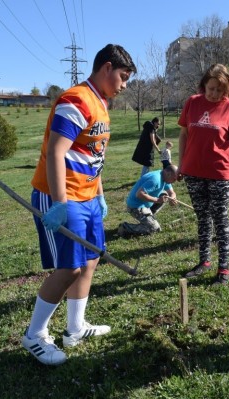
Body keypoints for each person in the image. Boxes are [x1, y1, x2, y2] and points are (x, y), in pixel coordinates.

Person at [23, 44, 137, 366]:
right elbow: (57, 152)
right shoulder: (76, 99)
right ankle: (34, 335)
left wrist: (99, 193)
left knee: (89, 261)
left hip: (87, 197)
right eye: (123, 76)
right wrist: (59, 203)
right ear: (107, 68)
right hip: (63, 197)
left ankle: (75, 328)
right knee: (69, 267)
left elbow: (93, 156)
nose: (124, 85)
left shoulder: (101, 104)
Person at [177, 63, 229, 286]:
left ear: (226, 89)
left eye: (219, 89)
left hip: (220, 173)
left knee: (221, 220)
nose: (214, 94)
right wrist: (181, 165)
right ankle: (204, 261)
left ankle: (223, 268)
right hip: (194, 172)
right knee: (202, 218)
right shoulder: (192, 102)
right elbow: (184, 135)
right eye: (211, 88)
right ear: (204, 85)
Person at [118, 165, 178, 237]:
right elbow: (139, 194)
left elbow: (172, 192)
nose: (175, 181)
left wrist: (172, 198)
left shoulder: (164, 177)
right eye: (174, 179)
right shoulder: (155, 180)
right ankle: (126, 227)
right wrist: (158, 200)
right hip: (136, 207)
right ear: (169, 174)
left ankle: (148, 217)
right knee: (155, 228)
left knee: (164, 195)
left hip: (145, 204)